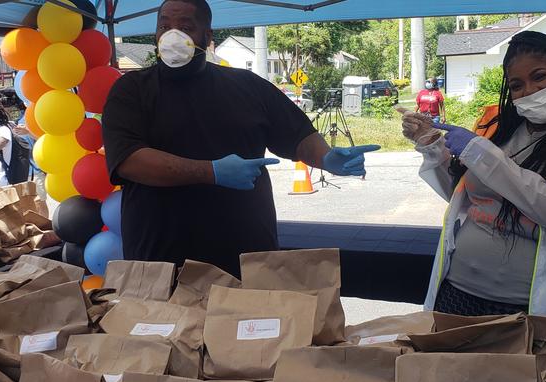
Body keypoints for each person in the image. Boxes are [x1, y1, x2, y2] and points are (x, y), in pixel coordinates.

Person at [400, 31, 546, 382]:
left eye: (540, 76)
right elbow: (460, 196)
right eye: (516, 84)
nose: (529, 91)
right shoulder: (494, 125)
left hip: (541, 312)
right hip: (461, 295)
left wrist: (482, 154)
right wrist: (432, 150)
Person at [102, 0, 379, 276]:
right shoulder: (131, 90)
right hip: (161, 261)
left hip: (245, 255)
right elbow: (128, 160)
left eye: (186, 26)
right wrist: (210, 172)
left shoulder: (247, 85)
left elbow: (297, 134)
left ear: (208, 37)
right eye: (165, 26)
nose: (173, 34)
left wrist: (326, 157)